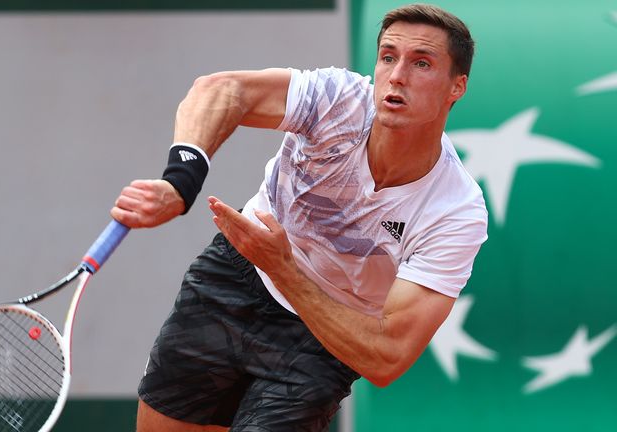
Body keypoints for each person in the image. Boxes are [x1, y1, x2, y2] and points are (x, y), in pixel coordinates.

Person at [111, 4, 488, 431]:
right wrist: (180, 181)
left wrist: (283, 266)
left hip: (327, 335)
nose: (397, 75)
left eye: (421, 63)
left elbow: (387, 358)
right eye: (387, 56)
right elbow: (223, 89)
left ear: (456, 86)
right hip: (235, 279)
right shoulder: (340, 101)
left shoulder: (456, 211)